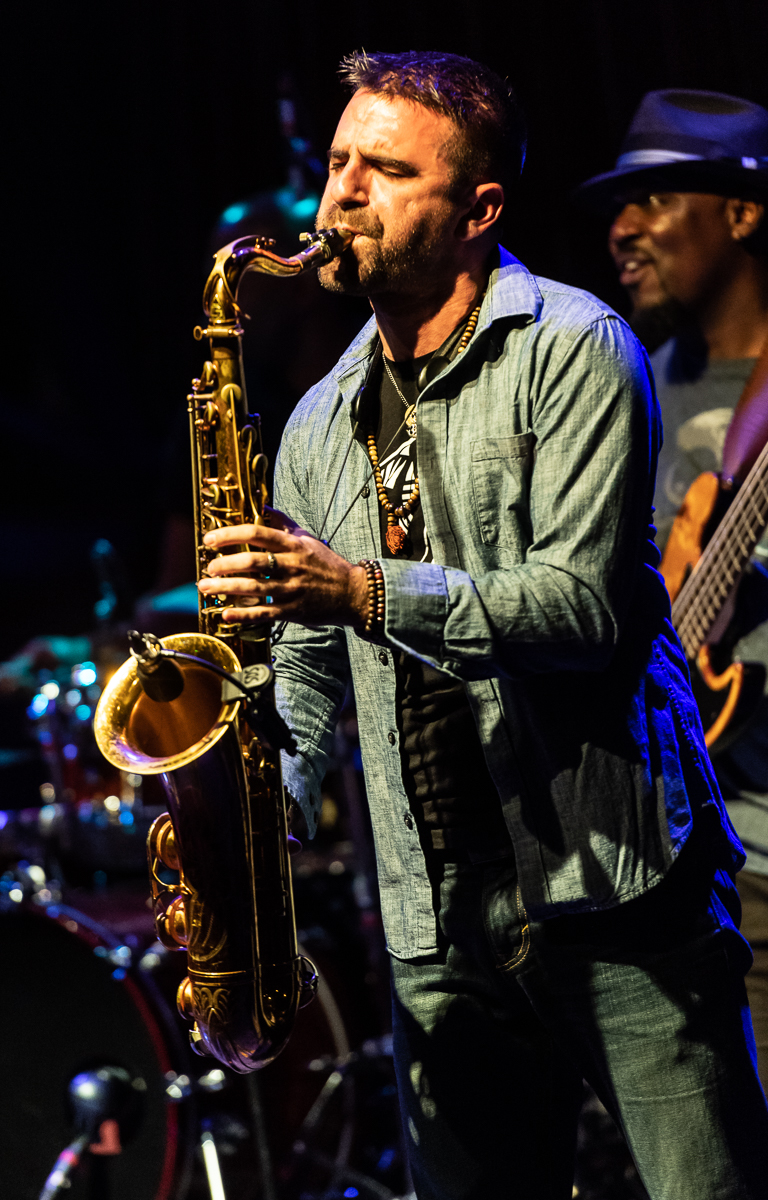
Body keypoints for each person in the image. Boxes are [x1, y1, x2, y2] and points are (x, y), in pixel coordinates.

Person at [200, 53, 768, 1198]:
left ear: (478, 209)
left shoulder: (574, 347)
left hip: (615, 895)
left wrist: (362, 589)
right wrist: (246, 804)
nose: (341, 193)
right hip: (434, 929)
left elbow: (588, 607)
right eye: (338, 163)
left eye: (386, 170)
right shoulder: (313, 424)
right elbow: (309, 685)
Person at [576, 88, 768, 1098]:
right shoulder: (630, 383)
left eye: (652, 199)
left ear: (741, 213)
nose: (619, 227)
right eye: (617, 205)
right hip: (695, 872)